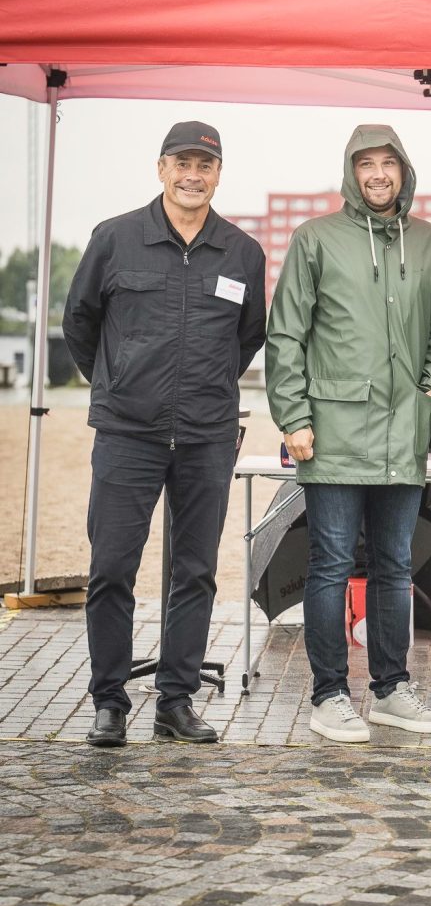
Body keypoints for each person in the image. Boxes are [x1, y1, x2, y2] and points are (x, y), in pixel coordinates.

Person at [63, 121, 267, 747]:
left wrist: (201, 390)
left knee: (196, 571)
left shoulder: (242, 252)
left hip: (207, 435)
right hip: (127, 434)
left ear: (218, 175)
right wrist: (120, 381)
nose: (192, 176)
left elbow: (248, 337)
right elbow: (80, 323)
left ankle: (176, 702)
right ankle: (109, 702)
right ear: (161, 169)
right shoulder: (115, 238)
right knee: (111, 568)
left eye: (204, 166)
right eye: (182, 163)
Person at [266, 124, 431, 743]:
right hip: (333, 432)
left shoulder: (430, 244)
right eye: (365, 164)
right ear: (351, 172)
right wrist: (293, 416)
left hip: (404, 431)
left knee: (396, 567)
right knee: (331, 566)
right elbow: (286, 334)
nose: (377, 174)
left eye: (387, 163)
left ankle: (392, 690)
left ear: (404, 170)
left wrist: (430, 392)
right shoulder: (315, 238)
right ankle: (328, 696)